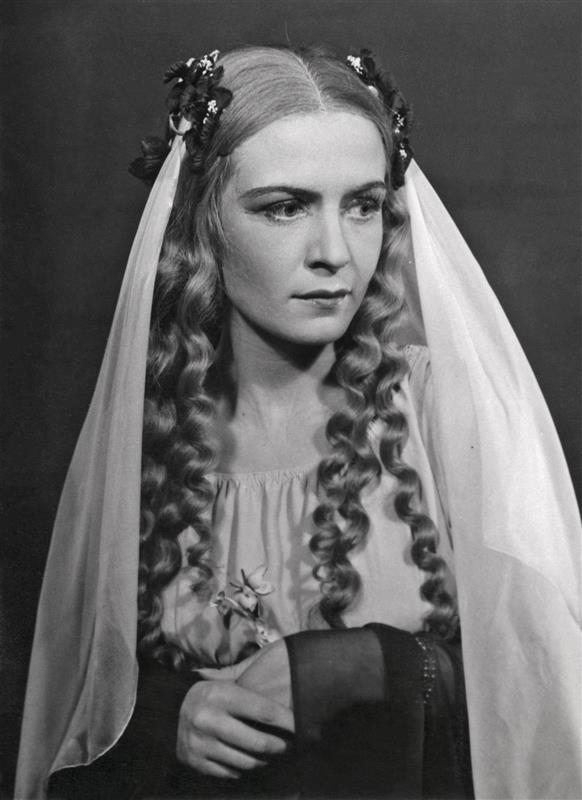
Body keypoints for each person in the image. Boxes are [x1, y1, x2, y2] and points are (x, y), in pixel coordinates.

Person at [15, 46, 581, 800]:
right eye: (285, 207)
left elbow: (549, 696)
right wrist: (162, 717)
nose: (334, 253)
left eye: (363, 205)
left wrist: (358, 667)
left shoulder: (446, 411)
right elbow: (72, 704)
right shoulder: (146, 434)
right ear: (203, 222)